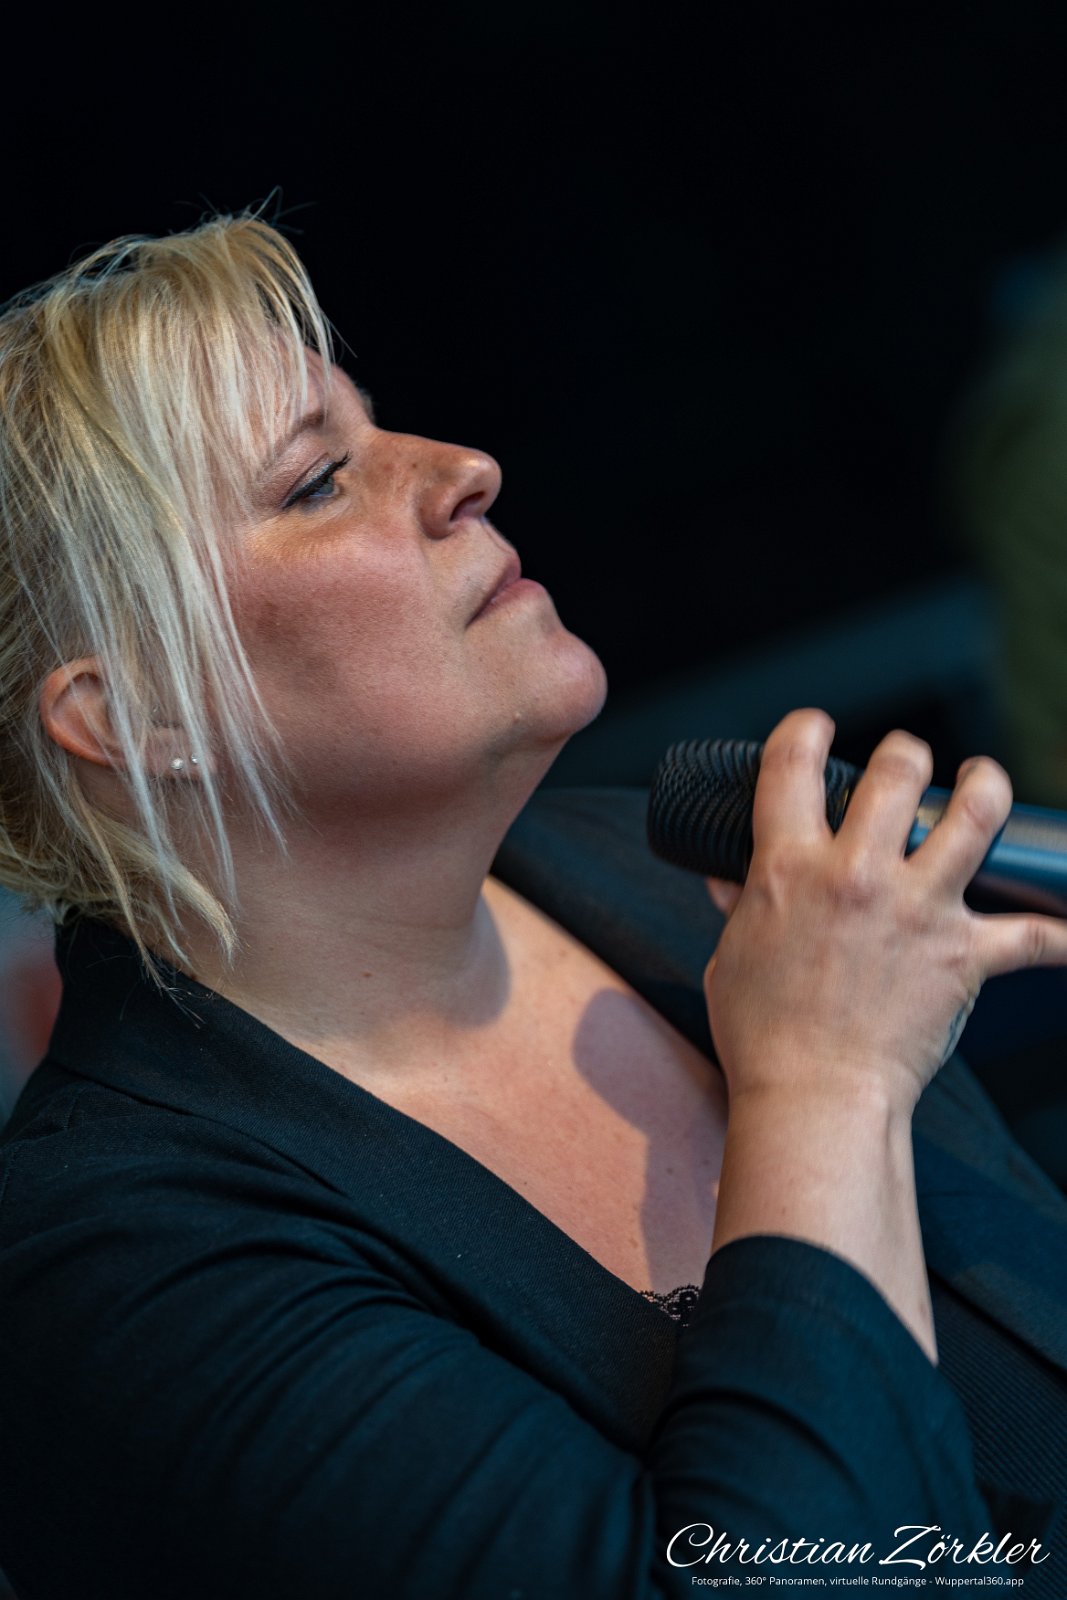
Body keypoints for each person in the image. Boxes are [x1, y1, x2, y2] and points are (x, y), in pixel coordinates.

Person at [0, 215, 1063, 1600]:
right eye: (319, 479)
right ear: (139, 716)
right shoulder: (119, 1260)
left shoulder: (664, 864)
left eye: (378, 425)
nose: (462, 469)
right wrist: (823, 1084)